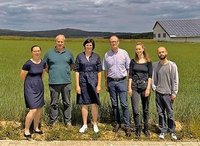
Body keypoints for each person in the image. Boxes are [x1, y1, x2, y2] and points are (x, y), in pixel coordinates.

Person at [102, 35, 131, 137]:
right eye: (111, 42)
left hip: (122, 81)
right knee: (114, 104)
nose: (113, 43)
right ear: (110, 43)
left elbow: (128, 68)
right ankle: (117, 123)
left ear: (118, 42)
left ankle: (127, 125)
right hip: (111, 82)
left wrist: (128, 82)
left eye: (115, 41)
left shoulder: (124, 53)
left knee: (124, 104)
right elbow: (105, 70)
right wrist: (106, 82)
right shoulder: (107, 55)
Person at [43, 34, 74, 128]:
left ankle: (68, 122)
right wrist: (54, 74)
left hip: (66, 82)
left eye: (62, 41)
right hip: (54, 82)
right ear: (55, 42)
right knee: (54, 103)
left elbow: (72, 66)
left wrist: (64, 72)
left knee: (67, 102)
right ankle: (54, 121)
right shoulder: (49, 53)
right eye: (58, 41)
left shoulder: (69, 53)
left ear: (64, 42)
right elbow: (46, 67)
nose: (60, 43)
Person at [74, 38, 102, 133]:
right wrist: (77, 85)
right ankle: (85, 124)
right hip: (83, 83)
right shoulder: (79, 56)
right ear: (84, 46)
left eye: (90, 45)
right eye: (87, 45)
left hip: (94, 83)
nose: (88, 46)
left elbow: (99, 72)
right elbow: (77, 71)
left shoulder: (97, 57)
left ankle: (95, 123)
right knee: (84, 104)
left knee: (94, 104)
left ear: (93, 46)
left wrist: (99, 85)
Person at [152, 46, 179, 140]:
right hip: (159, 93)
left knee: (170, 113)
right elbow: (153, 78)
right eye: (159, 52)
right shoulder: (156, 65)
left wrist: (174, 93)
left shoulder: (172, 65)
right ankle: (162, 131)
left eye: (163, 52)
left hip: (168, 94)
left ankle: (172, 131)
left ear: (166, 52)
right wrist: (154, 87)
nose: (161, 54)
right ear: (157, 54)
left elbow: (175, 80)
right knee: (160, 113)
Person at [20, 45, 46, 139]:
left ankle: (36, 128)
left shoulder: (43, 62)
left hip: (39, 87)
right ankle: (26, 130)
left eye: (38, 51)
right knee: (33, 109)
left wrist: (37, 82)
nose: (37, 52)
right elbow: (22, 76)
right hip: (30, 88)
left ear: (40, 52)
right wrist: (30, 83)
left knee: (39, 108)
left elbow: (42, 74)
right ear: (32, 52)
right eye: (35, 51)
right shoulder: (28, 63)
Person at [128, 42, 152, 138]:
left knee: (145, 109)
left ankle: (146, 128)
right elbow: (130, 75)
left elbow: (150, 76)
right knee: (136, 109)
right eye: (136, 49)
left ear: (143, 49)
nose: (138, 51)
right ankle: (138, 128)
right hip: (134, 87)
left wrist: (148, 88)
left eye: (139, 49)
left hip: (145, 87)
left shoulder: (148, 61)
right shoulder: (132, 61)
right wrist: (129, 88)